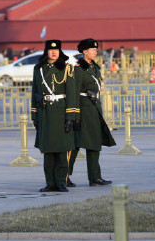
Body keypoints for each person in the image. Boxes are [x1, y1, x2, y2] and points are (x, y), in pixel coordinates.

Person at [68, 38, 116, 187]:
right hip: (82, 109)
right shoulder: (77, 68)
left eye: (96, 49)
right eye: (92, 49)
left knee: (94, 143)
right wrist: (73, 114)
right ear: (85, 51)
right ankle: (64, 176)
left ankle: (95, 177)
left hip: (94, 108)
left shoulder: (95, 68)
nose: (96, 52)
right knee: (75, 144)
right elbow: (73, 92)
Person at [31, 40, 77, 192]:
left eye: (57, 49)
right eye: (51, 50)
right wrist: (34, 115)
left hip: (61, 111)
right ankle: (50, 183)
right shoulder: (39, 69)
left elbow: (71, 93)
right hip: (45, 113)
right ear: (46, 51)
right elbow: (34, 92)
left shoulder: (66, 68)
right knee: (48, 151)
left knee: (62, 150)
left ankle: (61, 182)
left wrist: (71, 116)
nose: (54, 52)